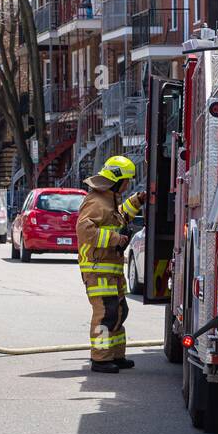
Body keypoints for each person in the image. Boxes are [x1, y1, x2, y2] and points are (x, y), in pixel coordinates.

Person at [76, 155, 145, 374]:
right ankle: (101, 359)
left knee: (119, 312)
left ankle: (116, 355)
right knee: (106, 313)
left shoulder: (109, 199)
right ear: (116, 180)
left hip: (111, 270)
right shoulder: (96, 201)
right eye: (126, 181)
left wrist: (136, 201)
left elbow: (119, 218)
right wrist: (116, 239)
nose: (128, 185)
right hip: (98, 269)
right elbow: (85, 231)